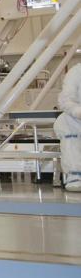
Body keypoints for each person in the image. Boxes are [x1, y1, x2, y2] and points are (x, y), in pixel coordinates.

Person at [54, 63, 81, 192]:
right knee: (69, 129)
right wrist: (78, 111)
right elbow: (65, 100)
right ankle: (75, 177)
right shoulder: (76, 72)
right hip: (74, 121)